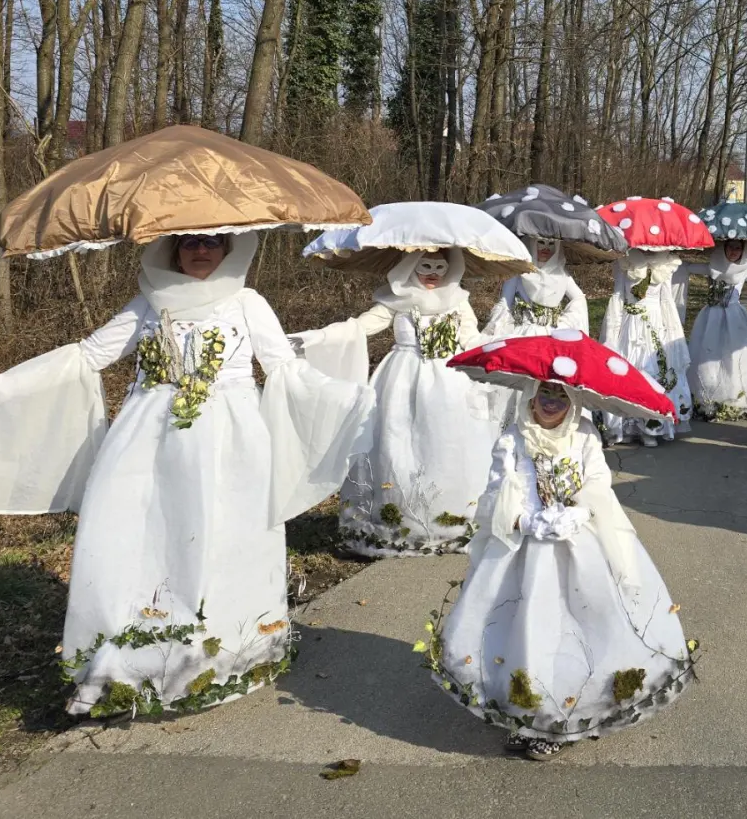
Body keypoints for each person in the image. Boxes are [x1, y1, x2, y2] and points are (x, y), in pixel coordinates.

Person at [0, 232, 374, 716]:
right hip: (148, 440)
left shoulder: (248, 302)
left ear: (227, 250)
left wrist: (349, 399)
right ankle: (139, 651)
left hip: (230, 441)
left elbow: (283, 368)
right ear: (172, 251)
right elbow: (89, 356)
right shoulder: (148, 302)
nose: (200, 251)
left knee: (225, 534)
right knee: (142, 532)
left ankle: (227, 649)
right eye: (189, 243)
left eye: (210, 243)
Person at [426, 381, 694, 760]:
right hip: (525, 548)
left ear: (573, 403)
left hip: (579, 543)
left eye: (562, 397)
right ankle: (527, 715)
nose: (552, 404)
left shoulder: (584, 434)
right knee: (526, 629)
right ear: (531, 397)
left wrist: (580, 511)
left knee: (577, 627)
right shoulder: (512, 439)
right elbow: (496, 492)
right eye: (545, 396)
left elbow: (598, 479)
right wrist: (524, 520)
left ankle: (562, 718)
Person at [295, 249, 501, 556]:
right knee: (398, 444)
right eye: (425, 266)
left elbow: (471, 339)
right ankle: (401, 520)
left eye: (440, 267)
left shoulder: (458, 300)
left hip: (449, 382)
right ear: (410, 267)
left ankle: (453, 521)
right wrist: (319, 337)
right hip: (402, 379)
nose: (432, 272)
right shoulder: (396, 300)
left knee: (448, 446)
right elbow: (360, 327)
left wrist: (501, 350)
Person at [599, 250, 692, 444]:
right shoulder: (625, 262)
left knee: (653, 373)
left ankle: (651, 428)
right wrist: (611, 334)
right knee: (628, 371)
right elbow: (618, 296)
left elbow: (667, 301)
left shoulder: (666, 264)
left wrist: (673, 331)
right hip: (630, 326)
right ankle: (627, 426)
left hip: (656, 326)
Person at [681, 238, 747, 420]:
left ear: (743, 251)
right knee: (706, 354)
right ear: (724, 248)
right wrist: (669, 260)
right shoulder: (712, 267)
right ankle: (705, 396)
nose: (734, 252)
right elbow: (687, 267)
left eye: (738, 249)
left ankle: (734, 396)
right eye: (731, 248)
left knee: (734, 356)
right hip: (710, 318)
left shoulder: (745, 270)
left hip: (735, 318)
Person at [483, 235, 589, 338]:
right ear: (532, 244)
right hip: (524, 334)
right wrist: (497, 328)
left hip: (553, 334)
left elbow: (579, 298)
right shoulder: (519, 273)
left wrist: (565, 323)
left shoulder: (562, 274)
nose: (546, 248)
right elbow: (504, 304)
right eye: (541, 242)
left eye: (552, 243)